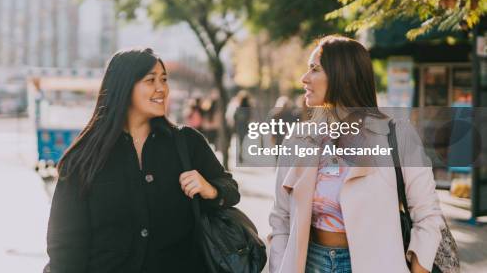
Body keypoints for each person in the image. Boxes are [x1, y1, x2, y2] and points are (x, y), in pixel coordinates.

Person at [45, 48, 240, 273]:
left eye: (164, 79)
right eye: (150, 80)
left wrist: (211, 189)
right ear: (124, 87)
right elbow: (64, 245)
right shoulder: (85, 157)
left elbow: (231, 190)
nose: (162, 88)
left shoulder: (187, 143)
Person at [269, 35, 443, 273]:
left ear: (343, 76)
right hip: (311, 264)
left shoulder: (398, 135)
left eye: (314, 69)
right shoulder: (299, 138)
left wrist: (419, 270)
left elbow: (427, 215)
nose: (304, 78)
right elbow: (280, 218)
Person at [232, 90, 253, 163]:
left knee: (239, 141)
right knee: (242, 141)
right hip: (244, 126)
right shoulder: (248, 108)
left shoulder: (238, 107)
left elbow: (234, 117)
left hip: (239, 126)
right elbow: (250, 118)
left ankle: (239, 155)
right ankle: (240, 155)